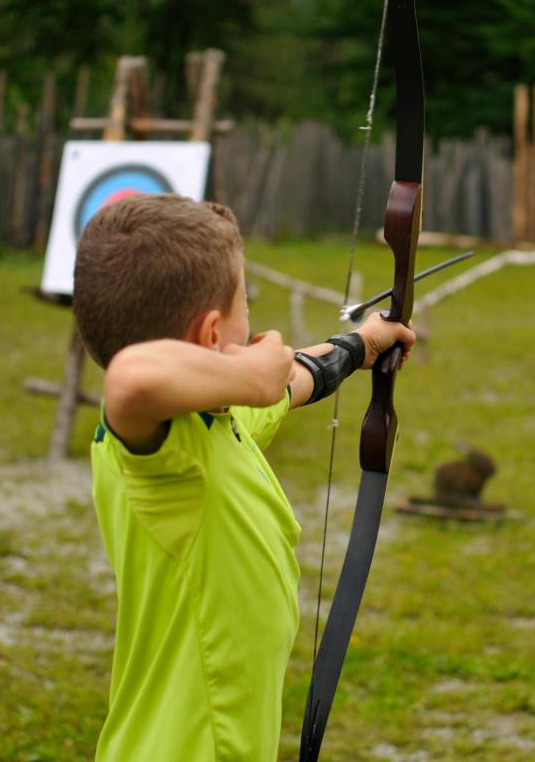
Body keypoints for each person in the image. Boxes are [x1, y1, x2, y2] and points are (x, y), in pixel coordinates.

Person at [72, 193, 415, 761]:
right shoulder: (165, 458)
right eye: (244, 303)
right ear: (212, 335)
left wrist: (364, 344)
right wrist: (253, 375)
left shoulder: (215, 419)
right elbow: (130, 380)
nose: (252, 317)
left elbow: (300, 379)